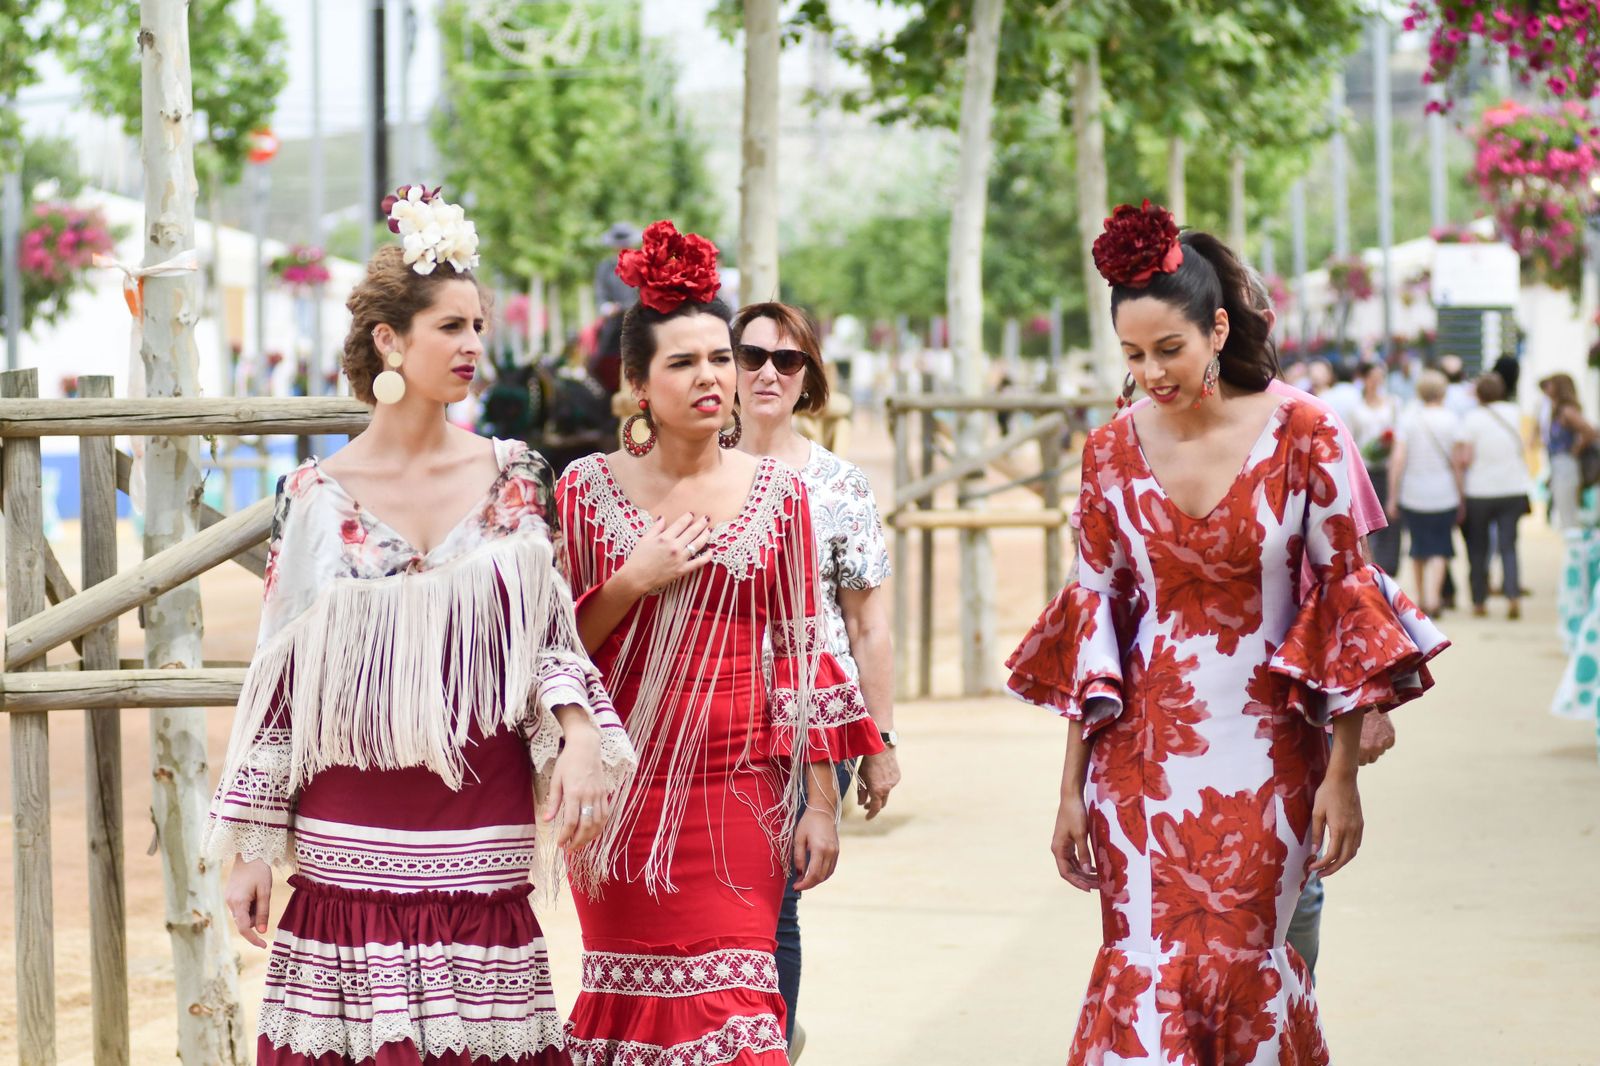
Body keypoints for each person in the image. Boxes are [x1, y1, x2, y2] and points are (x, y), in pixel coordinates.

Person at [205, 185, 637, 1065]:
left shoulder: (514, 475)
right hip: (346, 857)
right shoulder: (313, 499)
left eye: (478, 325)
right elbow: (278, 685)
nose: (474, 344)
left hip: (482, 844)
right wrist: (250, 849)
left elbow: (549, 643)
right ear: (389, 341)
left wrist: (583, 733)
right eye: (451, 326)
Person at [1008, 201, 1447, 1063]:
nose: (1151, 373)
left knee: (1248, 963)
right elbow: (1096, 622)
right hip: (1137, 759)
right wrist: (1070, 789)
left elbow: (1345, 600)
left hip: (1271, 753)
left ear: (1216, 330)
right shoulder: (1108, 451)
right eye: (1133, 355)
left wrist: (1342, 776)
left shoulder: (1306, 432)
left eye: (1168, 349)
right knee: (1142, 967)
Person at [555, 222, 884, 1065]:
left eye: (718, 359)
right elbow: (557, 652)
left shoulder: (782, 496)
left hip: (743, 796)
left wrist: (820, 803)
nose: (710, 377)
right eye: (683, 363)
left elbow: (805, 656)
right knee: (629, 1013)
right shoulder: (585, 491)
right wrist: (631, 580)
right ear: (636, 384)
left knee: (736, 1017)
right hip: (620, 800)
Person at [732, 300, 899, 1056]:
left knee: (778, 904)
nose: (768, 373)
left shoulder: (840, 485)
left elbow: (867, 625)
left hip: (810, 725)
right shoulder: (694, 467)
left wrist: (882, 743)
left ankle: (769, 1043)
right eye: (752, 356)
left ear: (808, 377)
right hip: (714, 709)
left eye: (787, 359)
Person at [1389, 369, 1465, 615]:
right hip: (1444, 492)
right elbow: (1457, 462)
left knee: (1418, 547)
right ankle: (1434, 597)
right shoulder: (1452, 419)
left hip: (1413, 492)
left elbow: (1398, 460)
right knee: (1441, 547)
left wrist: (1393, 495)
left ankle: (1420, 596)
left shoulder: (1409, 419)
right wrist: (1461, 494)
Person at [1458, 372, 1532, 619]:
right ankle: (1513, 595)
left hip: (1480, 490)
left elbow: (1466, 458)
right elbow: (1526, 444)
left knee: (1478, 548)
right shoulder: (1514, 412)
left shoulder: (1472, 418)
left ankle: (1479, 600)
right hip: (1512, 487)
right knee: (1509, 545)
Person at [1350, 361, 1403, 575]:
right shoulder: (1356, 409)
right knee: (1368, 516)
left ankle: (1390, 564)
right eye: (1372, 377)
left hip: (1388, 467)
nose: (1376, 382)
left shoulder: (1393, 403)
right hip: (1366, 467)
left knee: (1391, 515)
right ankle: (1372, 563)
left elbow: (1399, 433)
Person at [1541, 372, 1595, 532]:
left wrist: (1575, 450)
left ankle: (1574, 544)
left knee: (1568, 513)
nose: (1547, 388)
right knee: (1564, 512)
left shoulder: (1567, 410)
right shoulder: (1555, 410)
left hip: (1566, 464)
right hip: (1558, 464)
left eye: (1550, 385)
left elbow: (1590, 431)